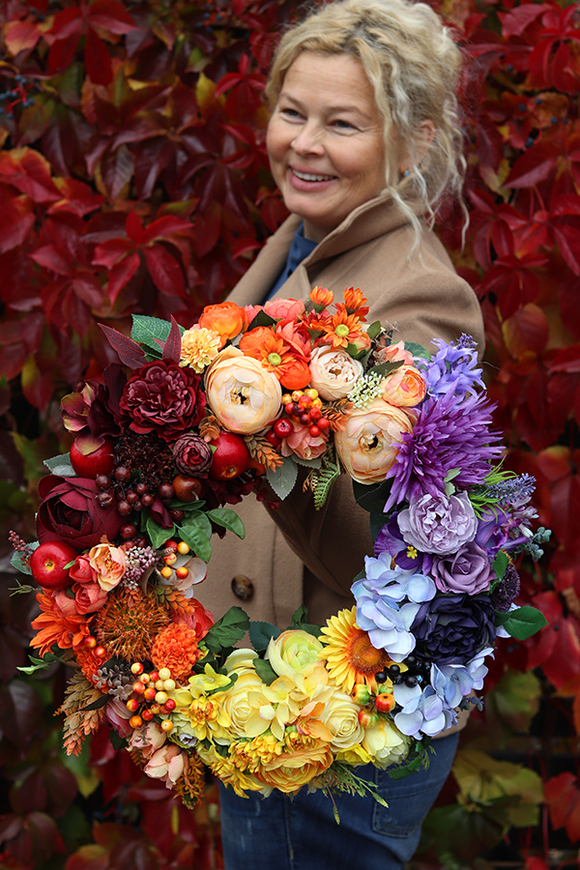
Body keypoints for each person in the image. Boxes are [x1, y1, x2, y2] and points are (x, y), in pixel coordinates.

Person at [199, 1, 486, 867]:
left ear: (415, 140)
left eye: (343, 124)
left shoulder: (417, 302)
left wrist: (260, 434)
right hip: (263, 698)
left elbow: (398, 549)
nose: (305, 143)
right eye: (293, 112)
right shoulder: (299, 245)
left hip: (333, 728)